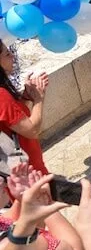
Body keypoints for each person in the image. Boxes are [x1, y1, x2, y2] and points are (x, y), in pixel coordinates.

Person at [1, 162, 87, 250]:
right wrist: (43, 204)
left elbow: (11, 222)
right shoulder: (7, 248)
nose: (2, 180)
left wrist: (25, 200)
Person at [0, 41, 49, 174]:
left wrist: (26, 97)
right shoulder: (1, 95)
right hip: (27, 172)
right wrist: (39, 99)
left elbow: (11, 119)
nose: (13, 56)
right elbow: (32, 130)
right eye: (7, 54)